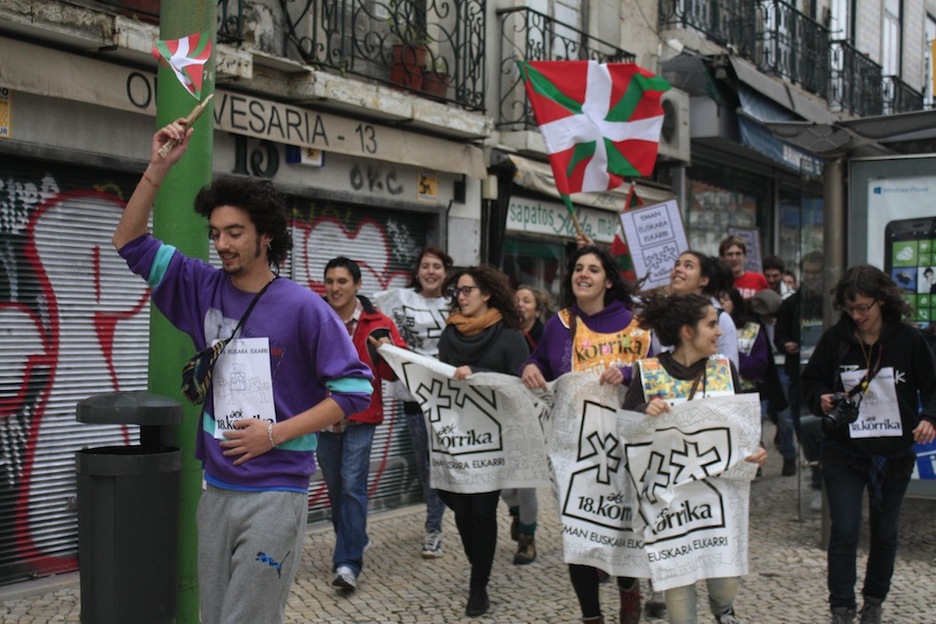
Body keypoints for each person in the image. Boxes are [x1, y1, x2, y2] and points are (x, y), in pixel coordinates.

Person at [113, 119, 373, 624]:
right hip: (216, 489)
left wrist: (273, 434)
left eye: (235, 232)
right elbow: (130, 241)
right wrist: (158, 166)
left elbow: (354, 389)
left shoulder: (304, 308)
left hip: (277, 490)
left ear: (265, 236)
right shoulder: (200, 287)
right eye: (216, 234)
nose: (223, 244)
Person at [521, 245, 651, 624]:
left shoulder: (636, 324)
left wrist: (629, 374)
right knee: (579, 533)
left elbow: (661, 374)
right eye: (578, 268)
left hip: (624, 447)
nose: (583, 274)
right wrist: (530, 367)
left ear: (608, 280)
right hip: (573, 449)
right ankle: (591, 616)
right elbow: (540, 362)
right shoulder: (560, 324)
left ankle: (629, 590)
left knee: (622, 527)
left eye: (593, 269)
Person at [801, 265, 936, 624]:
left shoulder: (908, 340)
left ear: (882, 301)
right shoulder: (837, 340)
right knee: (844, 529)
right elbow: (809, 384)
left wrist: (930, 419)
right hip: (844, 451)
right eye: (851, 308)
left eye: (864, 307)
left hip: (893, 452)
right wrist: (823, 399)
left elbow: (933, 386)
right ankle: (841, 608)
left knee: (885, 528)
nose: (857, 315)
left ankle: (874, 601)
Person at [623, 292, 768, 624]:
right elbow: (625, 426)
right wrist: (645, 410)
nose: (719, 332)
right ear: (687, 331)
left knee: (725, 584)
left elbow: (740, 428)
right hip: (669, 504)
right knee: (679, 606)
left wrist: (754, 452)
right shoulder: (648, 372)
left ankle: (723, 610)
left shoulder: (724, 370)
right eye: (711, 324)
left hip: (716, 499)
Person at [436, 265, 530, 617]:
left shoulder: (508, 334)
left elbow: (517, 385)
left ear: (487, 293)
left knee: (481, 509)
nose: (461, 297)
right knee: (461, 509)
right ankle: (480, 563)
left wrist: (478, 377)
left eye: (467, 290)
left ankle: (479, 586)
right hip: (457, 438)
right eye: (458, 291)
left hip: (495, 439)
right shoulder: (450, 334)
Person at [319, 257, 408, 593]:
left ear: (356, 285)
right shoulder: (317, 316)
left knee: (353, 486)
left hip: (361, 417)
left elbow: (396, 370)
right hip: (323, 417)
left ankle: (347, 563)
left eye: (342, 281)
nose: (334, 288)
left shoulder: (378, 323)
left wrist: (387, 351)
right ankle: (357, 538)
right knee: (335, 489)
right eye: (329, 281)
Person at [373, 246, 453, 558]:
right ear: (417, 271)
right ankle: (434, 527)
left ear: (445, 272)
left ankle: (452, 513)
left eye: (437, 266)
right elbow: (368, 312)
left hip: (451, 396)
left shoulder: (455, 303)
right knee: (426, 464)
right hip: (414, 394)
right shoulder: (399, 299)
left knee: (449, 463)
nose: (431, 271)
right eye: (425, 266)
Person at [501, 285, 551, 565]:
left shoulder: (545, 338)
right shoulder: (504, 333)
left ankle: (527, 540)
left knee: (525, 483)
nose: (520, 304)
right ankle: (517, 513)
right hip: (506, 416)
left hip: (535, 419)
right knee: (506, 488)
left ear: (537, 309)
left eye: (526, 300)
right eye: (516, 299)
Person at [775, 251, 825, 509]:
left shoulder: (830, 302)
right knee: (805, 431)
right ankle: (817, 479)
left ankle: (824, 483)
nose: (812, 277)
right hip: (800, 377)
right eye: (809, 272)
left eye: (817, 272)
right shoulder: (792, 304)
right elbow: (779, 336)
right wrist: (787, 344)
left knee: (826, 432)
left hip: (827, 379)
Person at [667, 251, 740, 368]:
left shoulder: (721, 319)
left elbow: (730, 371)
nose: (678, 269)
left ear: (704, 280)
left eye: (688, 266)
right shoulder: (662, 314)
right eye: (677, 265)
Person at [719, 235, 768, 299]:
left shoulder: (758, 279)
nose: (734, 258)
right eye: (730, 254)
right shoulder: (718, 282)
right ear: (722, 258)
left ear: (745, 256)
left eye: (738, 254)